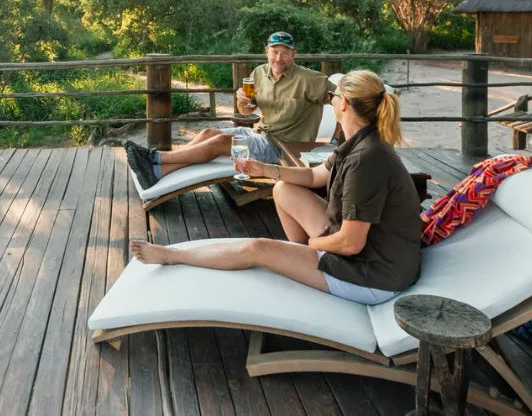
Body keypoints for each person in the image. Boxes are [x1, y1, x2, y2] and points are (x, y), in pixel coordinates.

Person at [130, 70, 422, 304]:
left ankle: (170, 256)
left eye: (334, 96)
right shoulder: (360, 142)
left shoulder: (366, 161)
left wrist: (315, 245)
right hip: (370, 252)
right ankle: (297, 260)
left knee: (257, 248)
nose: (332, 100)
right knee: (284, 189)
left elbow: (350, 243)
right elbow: (314, 176)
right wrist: (266, 170)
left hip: (373, 275)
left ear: (343, 103)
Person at [126, 31, 332, 190]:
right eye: (275, 52)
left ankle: (155, 157)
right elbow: (246, 112)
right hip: (260, 134)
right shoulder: (259, 73)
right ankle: (159, 172)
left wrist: (338, 138)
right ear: (267, 52)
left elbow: (343, 98)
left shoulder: (311, 80)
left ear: (293, 54)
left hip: (282, 148)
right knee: (208, 133)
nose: (279, 58)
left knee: (223, 142)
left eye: (285, 53)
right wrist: (242, 101)